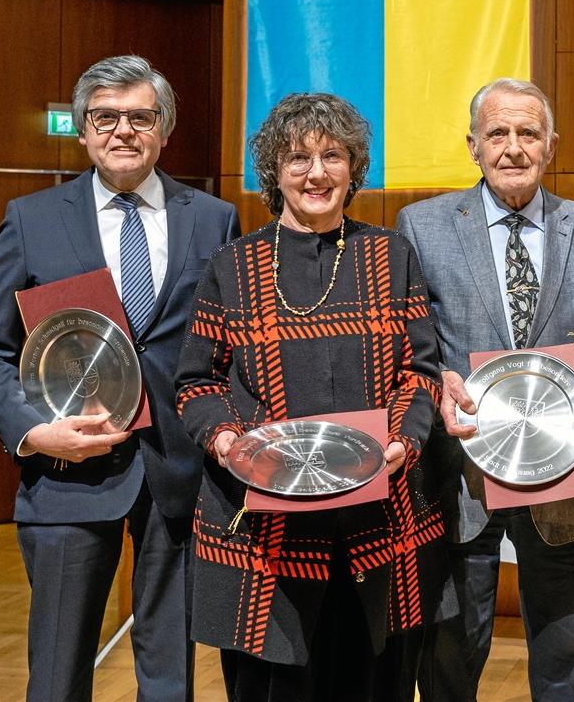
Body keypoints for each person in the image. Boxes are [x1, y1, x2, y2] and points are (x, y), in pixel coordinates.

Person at [0, 55, 240, 702]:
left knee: (170, 679)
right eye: (105, 118)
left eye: (139, 117)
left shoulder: (212, 218)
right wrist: (35, 433)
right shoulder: (32, 218)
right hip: (67, 477)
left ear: (163, 129)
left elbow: (227, 350)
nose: (122, 131)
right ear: (83, 132)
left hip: (178, 477)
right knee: (58, 677)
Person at [175, 92, 445, 701]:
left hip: (374, 521)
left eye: (332, 156)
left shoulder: (390, 254)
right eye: (297, 158)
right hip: (265, 533)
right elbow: (197, 384)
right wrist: (226, 443)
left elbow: (420, 373)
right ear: (274, 171)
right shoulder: (234, 264)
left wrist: (403, 441)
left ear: (355, 168)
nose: (316, 172)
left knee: (376, 683)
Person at [395, 77, 574, 701]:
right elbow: (411, 339)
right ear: (473, 146)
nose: (513, 147)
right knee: (452, 646)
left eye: (528, 133)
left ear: (551, 146)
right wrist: (436, 384)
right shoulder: (423, 225)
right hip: (461, 461)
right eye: (497, 133)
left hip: (563, 462)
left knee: (564, 647)